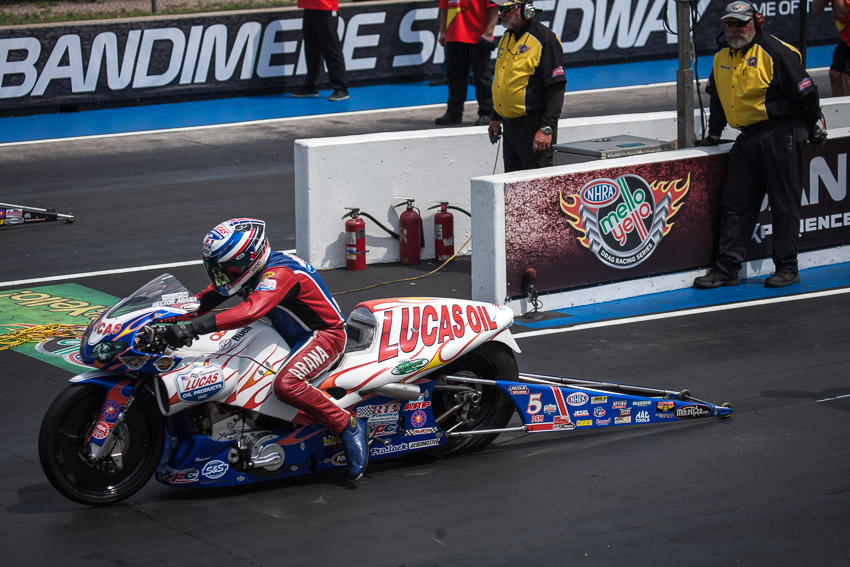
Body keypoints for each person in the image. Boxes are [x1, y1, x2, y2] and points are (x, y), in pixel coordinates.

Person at [163, 218, 369, 481]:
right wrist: (158, 317)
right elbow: (203, 300)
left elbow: (251, 311)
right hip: (281, 331)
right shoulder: (243, 271)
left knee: (287, 384)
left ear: (251, 257)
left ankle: (348, 425)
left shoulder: (279, 273)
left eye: (228, 267)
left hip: (323, 335)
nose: (224, 274)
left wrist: (192, 329)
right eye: (217, 268)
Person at [693, 1, 826, 290]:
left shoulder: (775, 52)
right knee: (735, 205)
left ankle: (788, 268)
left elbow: (807, 93)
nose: (735, 29)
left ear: (757, 22)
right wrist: (713, 136)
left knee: (784, 204)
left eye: (741, 23)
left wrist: (811, 126)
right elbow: (717, 100)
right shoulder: (720, 59)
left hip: (782, 134)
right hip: (747, 138)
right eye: (730, 24)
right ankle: (727, 269)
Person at [488, 0, 566, 172]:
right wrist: (496, 116)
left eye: (507, 9)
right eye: (500, 9)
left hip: (533, 128)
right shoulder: (507, 37)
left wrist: (546, 129)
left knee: (537, 190)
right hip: (509, 128)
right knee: (512, 188)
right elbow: (504, 81)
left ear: (527, 10)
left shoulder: (545, 39)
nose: (501, 14)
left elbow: (556, 88)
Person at [434, 0, 499, 126]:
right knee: (454, 77)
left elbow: (493, 8)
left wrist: (489, 32)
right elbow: (444, 9)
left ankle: (486, 113)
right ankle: (454, 113)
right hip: (454, 36)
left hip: (478, 38)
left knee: (482, 77)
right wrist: (443, 31)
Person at [292, 0, 349, 101]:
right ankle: (311, 85)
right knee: (311, 48)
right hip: (309, 6)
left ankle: (341, 88)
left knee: (331, 49)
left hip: (325, 7)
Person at [813, 0, 850, 96]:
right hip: (847, 39)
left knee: (848, 78)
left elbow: (843, 13)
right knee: (835, 74)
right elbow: (817, 10)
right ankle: (839, 109)